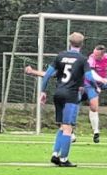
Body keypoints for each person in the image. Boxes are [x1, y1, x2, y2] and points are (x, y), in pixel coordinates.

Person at [39, 32, 100, 167]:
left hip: (58, 94)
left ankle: (55, 154)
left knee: (62, 126)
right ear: (82, 44)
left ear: (69, 42)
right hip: (70, 96)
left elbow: (47, 75)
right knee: (68, 128)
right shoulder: (83, 59)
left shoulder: (60, 56)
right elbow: (89, 77)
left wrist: (43, 91)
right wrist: (96, 87)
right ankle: (64, 159)